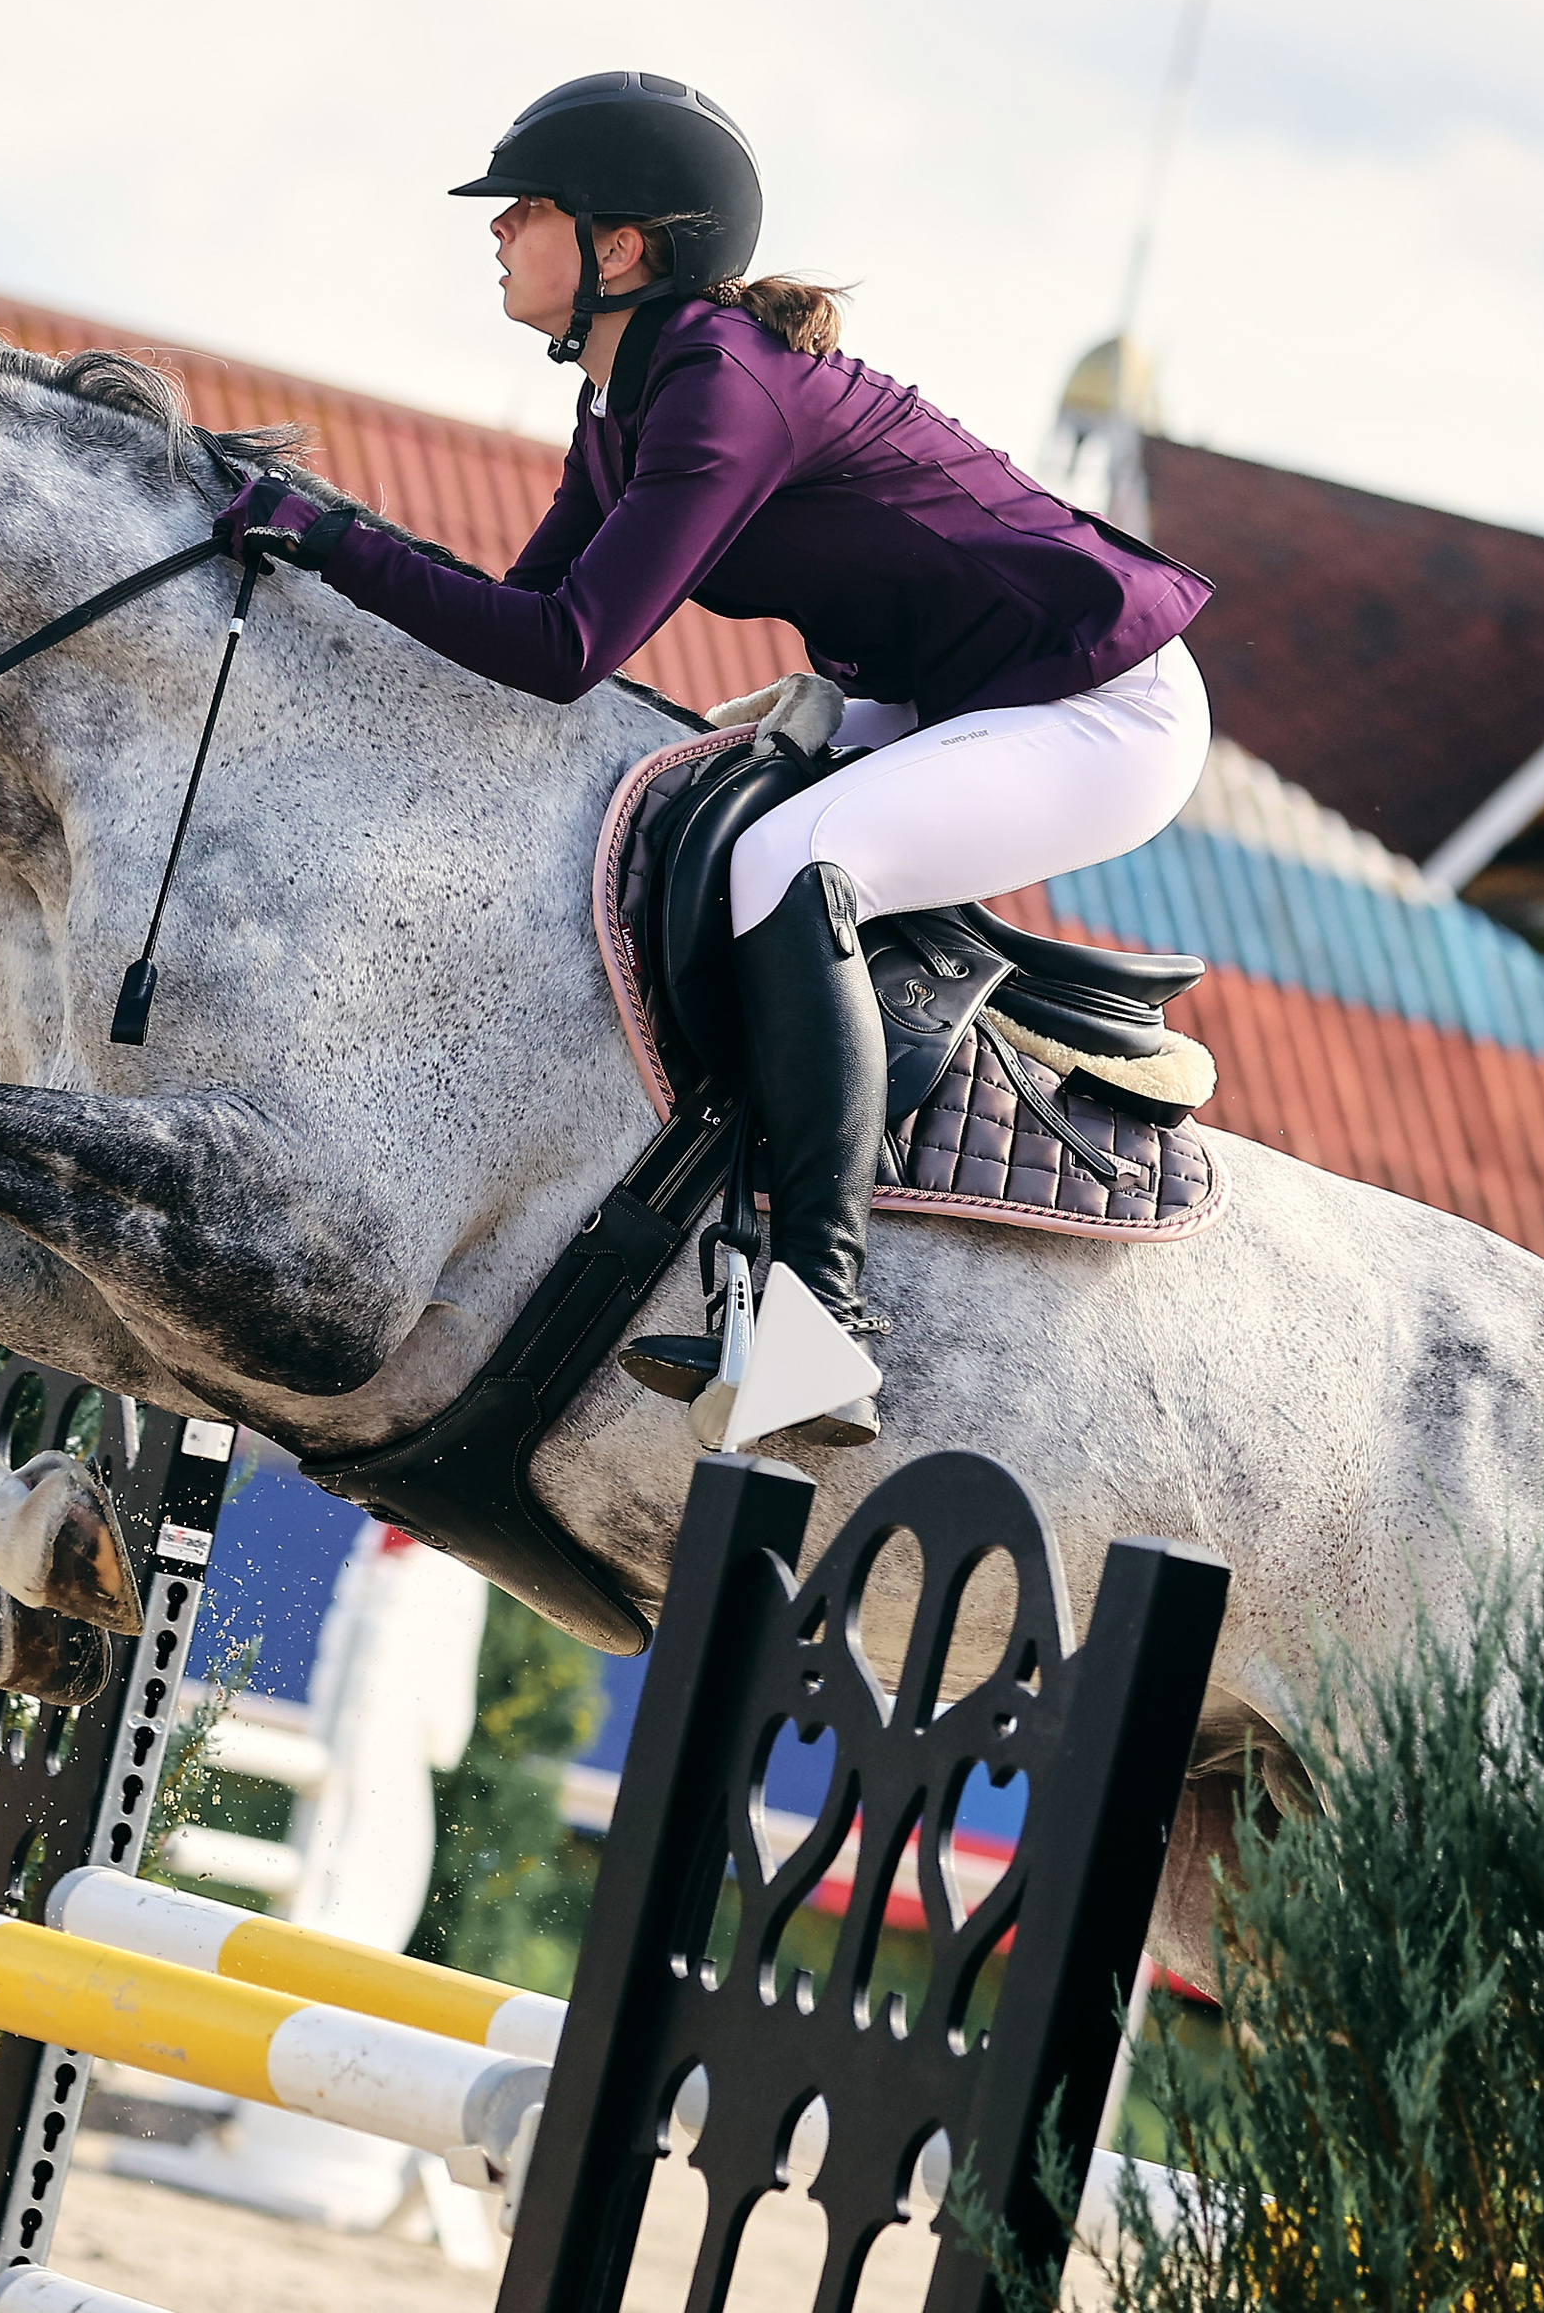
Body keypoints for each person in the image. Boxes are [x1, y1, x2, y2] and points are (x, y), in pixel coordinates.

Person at [214, 71, 1212, 1446]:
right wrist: (318, 577)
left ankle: (823, 1329)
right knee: (678, 804)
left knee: (791, 855)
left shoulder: (717, 389)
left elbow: (567, 645)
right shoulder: (623, 404)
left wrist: (330, 536)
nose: (497, 232)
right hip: (946, 696)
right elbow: (514, 644)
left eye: (530, 210)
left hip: (1102, 708)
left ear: (620, 247)